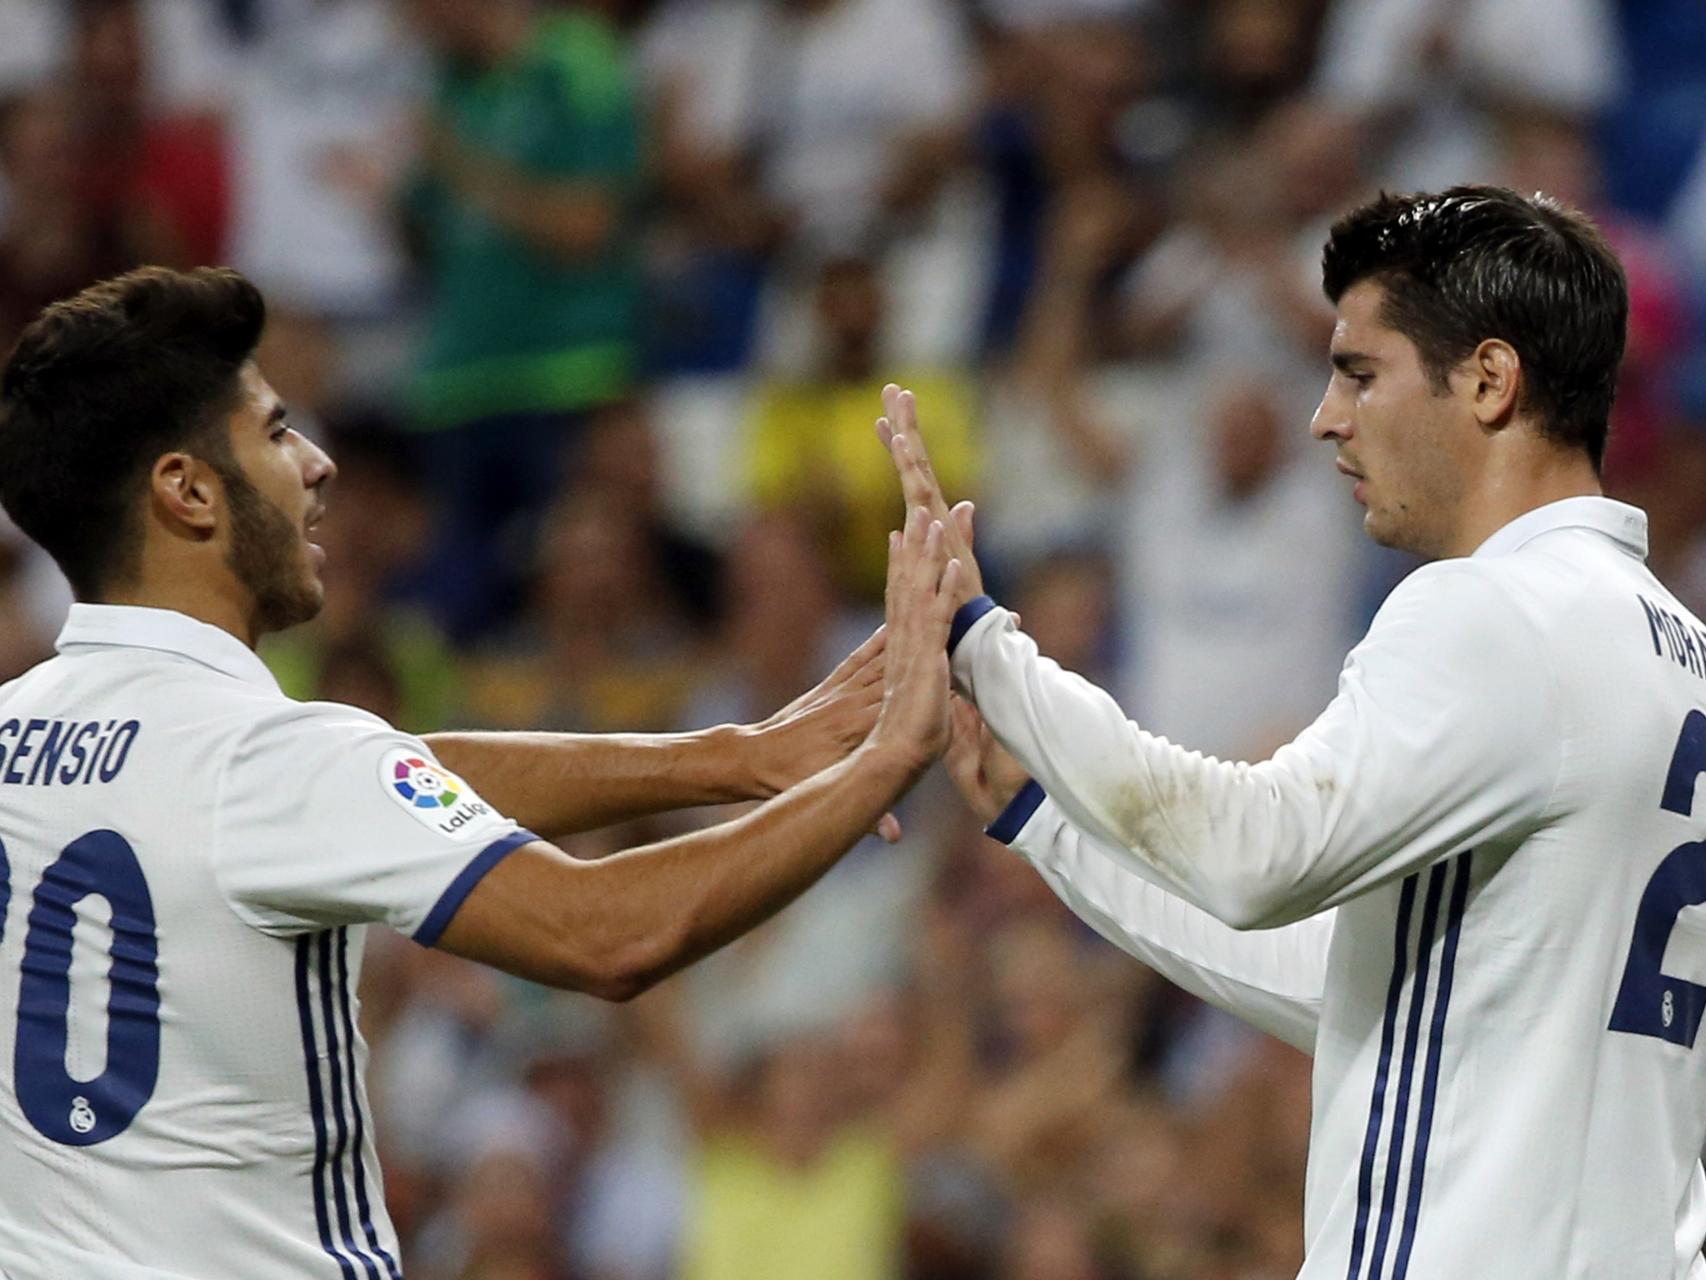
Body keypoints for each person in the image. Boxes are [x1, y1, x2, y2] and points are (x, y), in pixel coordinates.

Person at [0, 265, 964, 1279]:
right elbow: (607, 931)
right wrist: (880, 762)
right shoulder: (266, 758)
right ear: (186, 490)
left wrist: (730, 756)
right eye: (276, 432)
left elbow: (391, 776)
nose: (319, 464)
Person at [878, 185, 1706, 1277]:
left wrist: (981, 639)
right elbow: (1353, 979)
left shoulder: (1492, 611)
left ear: (1489, 381)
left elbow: (1254, 851)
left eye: (1360, 373)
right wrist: (1041, 818)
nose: (1325, 414)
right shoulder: (1676, 648)